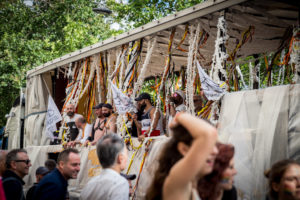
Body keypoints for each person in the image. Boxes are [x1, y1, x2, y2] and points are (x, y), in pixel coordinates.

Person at [145, 113, 218, 200]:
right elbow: (208, 134)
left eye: (215, 145)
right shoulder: (176, 182)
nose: (215, 151)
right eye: (206, 146)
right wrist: (180, 116)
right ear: (184, 149)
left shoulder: (194, 182)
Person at [80, 134, 129, 200]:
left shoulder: (89, 184)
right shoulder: (120, 183)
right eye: (126, 154)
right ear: (120, 158)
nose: (127, 158)